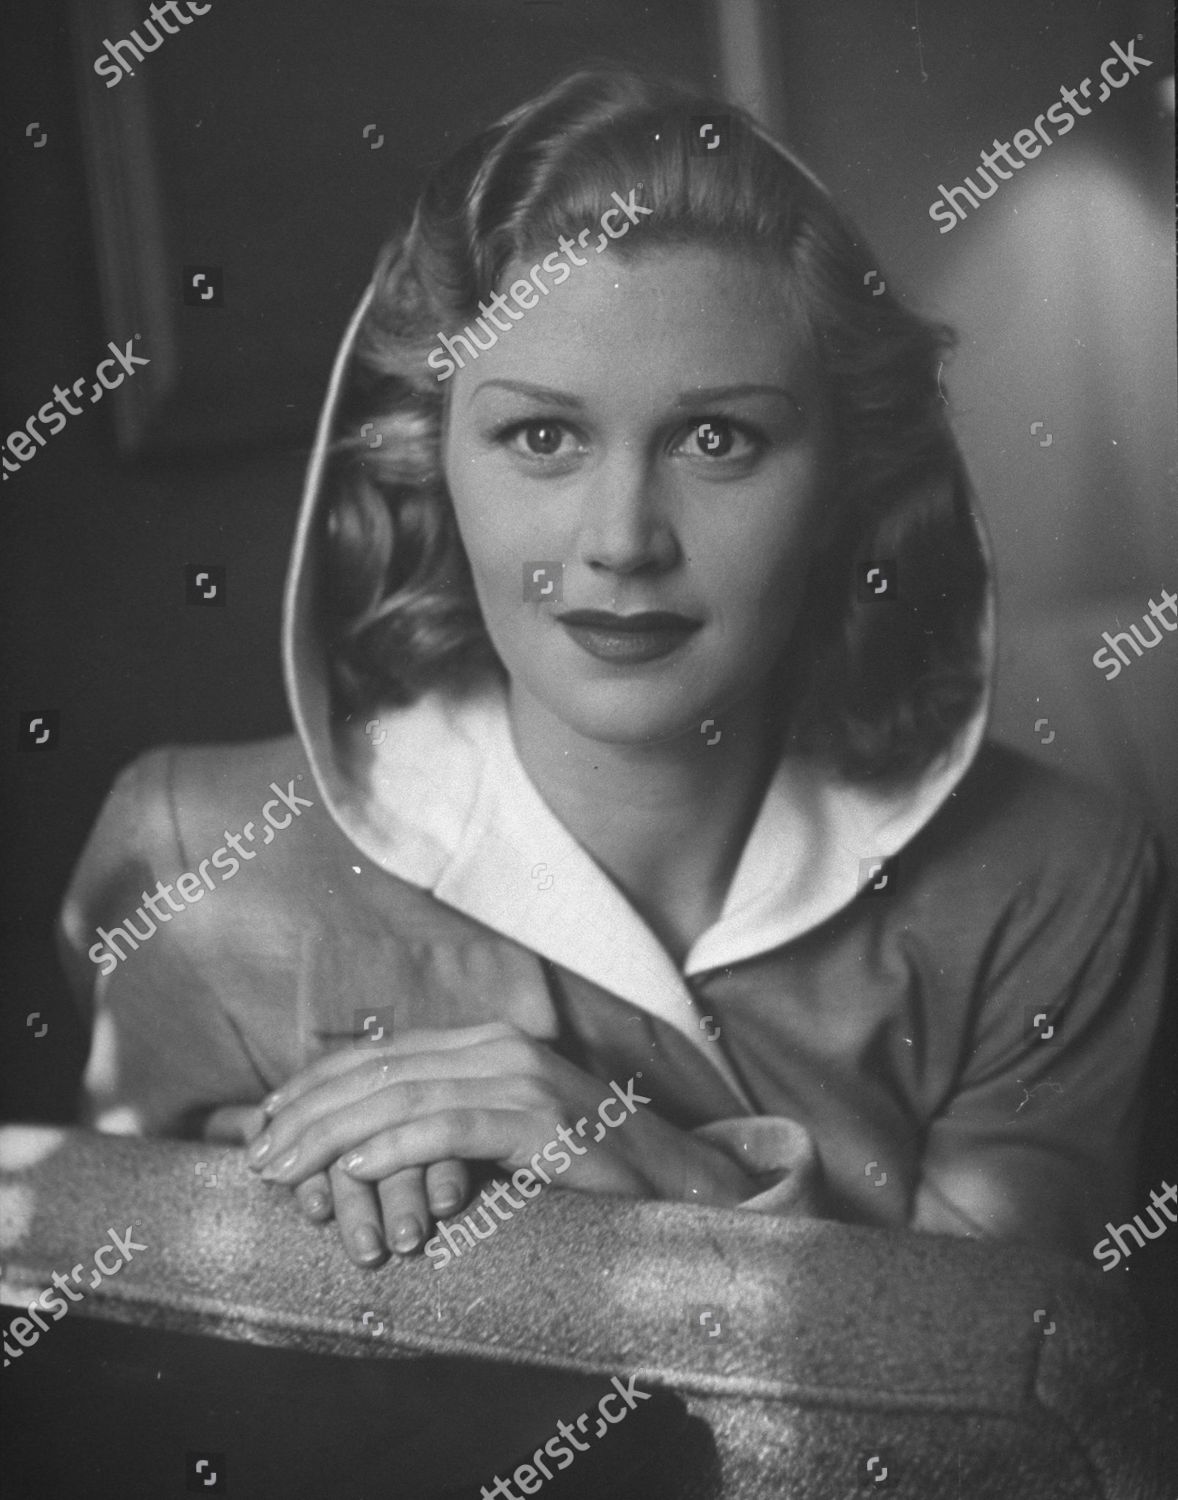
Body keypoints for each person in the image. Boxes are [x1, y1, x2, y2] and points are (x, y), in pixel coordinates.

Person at [57, 66, 1168, 1274]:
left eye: (715, 438)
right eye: (540, 436)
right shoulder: (194, 856)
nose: (622, 540)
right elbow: (139, 1342)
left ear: (846, 480)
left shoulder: (1055, 884)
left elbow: (1029, 1402)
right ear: (431, 461)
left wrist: (662, 1171)